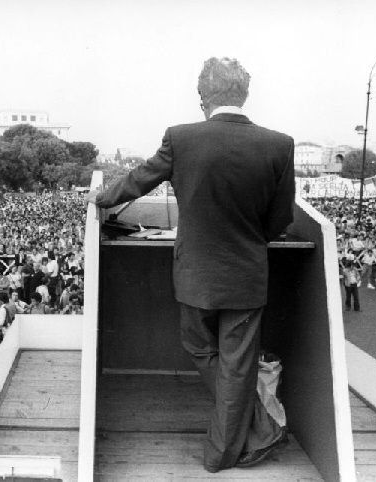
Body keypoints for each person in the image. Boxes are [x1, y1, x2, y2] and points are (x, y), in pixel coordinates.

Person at [87, 57, 294, 472]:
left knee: (200, 348)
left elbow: (140, 179)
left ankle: (245, 439)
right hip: (248, 275)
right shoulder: (279, 144)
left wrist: (100, 198)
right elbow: (280, 219)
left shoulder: (181, 138)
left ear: (203, 98)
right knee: (239, 364)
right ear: (244, 95)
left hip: (196, 274)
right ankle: (244, 438)